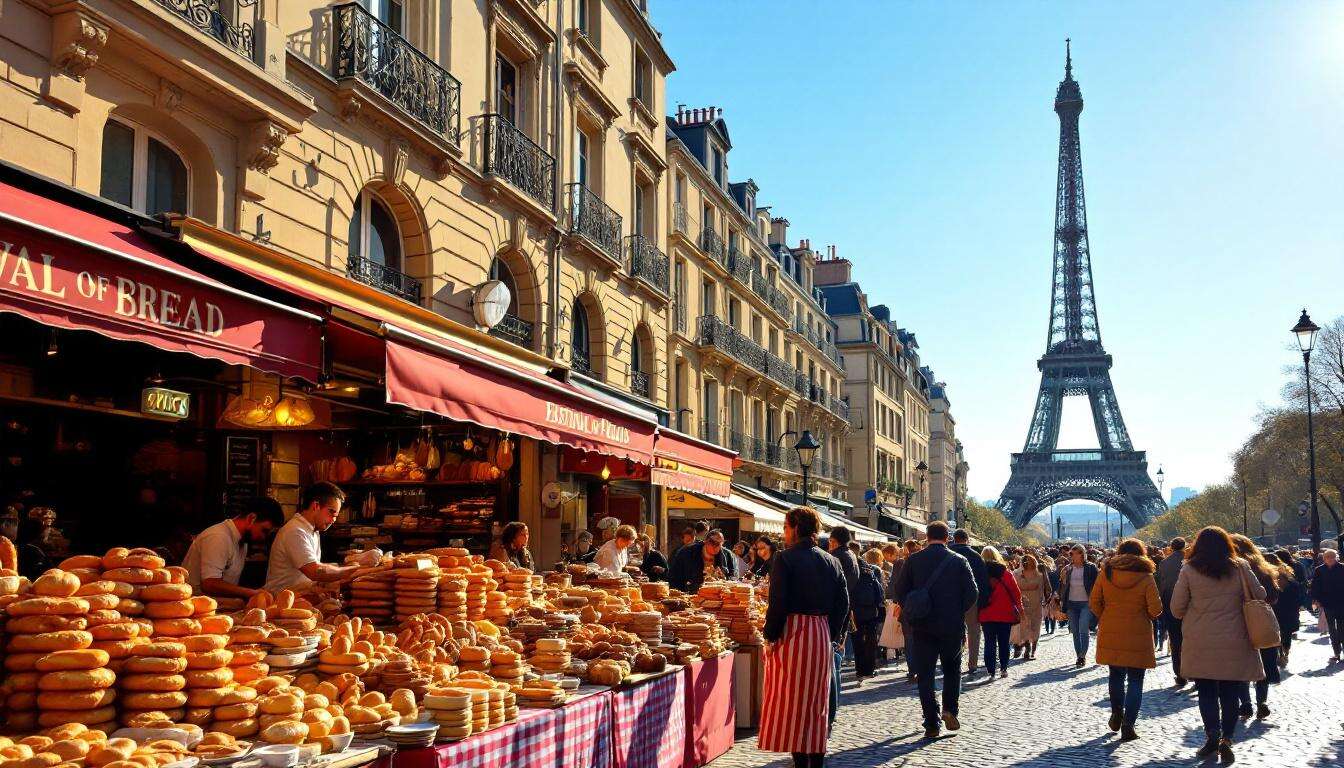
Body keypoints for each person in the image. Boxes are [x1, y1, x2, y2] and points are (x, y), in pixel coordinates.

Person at [758, 506, 849, 768]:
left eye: (785, 527)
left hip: (793, 633)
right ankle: (816, 760)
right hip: (820, 634)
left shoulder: (785, 559)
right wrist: (831, 633)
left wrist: (770, 635)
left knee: (792, 701)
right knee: (816, 702)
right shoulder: (831, 560)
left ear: (796, 528)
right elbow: (843, 603)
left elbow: (778, 602)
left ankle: (800, 761)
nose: (784, 533)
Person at [1171, 526, 1266, 764]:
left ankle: (1212, 733)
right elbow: (1260, 594)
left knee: (1206, 691)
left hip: (1201, 639)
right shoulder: (1240, 566)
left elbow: (1176, 608)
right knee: (1230, 691)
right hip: (1235, 637)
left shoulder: (1189, 569)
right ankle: (1227, 738)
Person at [893, 521, 978, 740]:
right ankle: (950, 709)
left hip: (922, 626)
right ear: (947, 537)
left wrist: (914, 608)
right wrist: (957, 610)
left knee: (926, 675)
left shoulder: (913, 560)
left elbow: (899, 591)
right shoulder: (959, 561)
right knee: (952, 670)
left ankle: (931, 722)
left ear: (927, 537)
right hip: (951, 626)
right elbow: (972, 592)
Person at [1089, 538, 1161, 742]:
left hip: (1112, 629)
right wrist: (1145, 615)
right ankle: (1129, 724)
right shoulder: (1146, 576)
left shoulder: (1107, 572)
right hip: (1138, 632)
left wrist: (1107, 616)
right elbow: (1155, 609)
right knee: (1136, 680)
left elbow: (1094, 601)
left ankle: (1116, 712)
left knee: (1116, 675)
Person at [265, 482, 359, 592]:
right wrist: (355, 570)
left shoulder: (312, 530)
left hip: (300, 596)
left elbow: (318, 567)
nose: (333, 520)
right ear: (316, 506)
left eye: (336, 516)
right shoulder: (295, 531)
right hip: (280, 600)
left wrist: (351, 562)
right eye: (331, 513)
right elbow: (315, 571)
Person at [182, 497, 284, 598]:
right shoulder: (218, 537)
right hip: (191, 603)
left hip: (216, 602)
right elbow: (209, 584)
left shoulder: (243, 541)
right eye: (264, 531)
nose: (263, 537)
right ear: (251, 518)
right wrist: (252, 593)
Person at [1230, 534, 1282, 718]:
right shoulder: (1263, 569)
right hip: (1260, 622)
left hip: (1237, 623)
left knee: (1241, 664)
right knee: (1264, 663)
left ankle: (1245, 703)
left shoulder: (1229, 569)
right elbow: (1273, 597)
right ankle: (1262, 701)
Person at [949, 528, 990, 678]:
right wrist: (983, 602)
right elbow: (983, 581)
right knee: (974, 632)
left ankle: (953, 661)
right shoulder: (976, 556)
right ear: (967, 539)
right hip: (972, 599)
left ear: (954, 539)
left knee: (952, 631)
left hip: (950, 600)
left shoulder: (947, 554)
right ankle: (972, 664)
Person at [978, 546, 1022, 679]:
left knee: (989, 642)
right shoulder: (1006, 573)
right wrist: (1019, 608)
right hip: (1005, 613)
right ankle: (1003, 668)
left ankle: (991, 670)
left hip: (986, 613)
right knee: (1004, 642)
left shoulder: (979, 574)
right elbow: (1016, 593)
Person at [1155, 536, 1187, 686]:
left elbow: (1161, 585)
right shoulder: (1189, 561)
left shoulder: (1164, 563)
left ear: (1171, 547)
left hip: (1170, 603)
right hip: (1189, 605)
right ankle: (1194, 672)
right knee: (1191, 639)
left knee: (1175, 639)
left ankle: (1179, 673)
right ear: (1184, 546)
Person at [851, 549, 886, 684]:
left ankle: (860, 669)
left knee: (857, 640)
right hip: (870, 610)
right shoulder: (871, 570)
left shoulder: (851, 570)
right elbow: (879, 590)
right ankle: (870, 669)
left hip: (855, 610)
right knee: (871, 640)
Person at [1061, 544, 1099, 667]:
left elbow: (1098, 585)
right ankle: (1079, 656)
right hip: (1071, 604)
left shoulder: (1091, 568)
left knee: (1083, 629)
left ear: (1081, 554)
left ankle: (1083, 655)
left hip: (1086, 603)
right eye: (1070, 554)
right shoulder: (1068, 568)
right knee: (1075, 631)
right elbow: (1064, 586)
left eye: (1073, 553)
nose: (1071, 556)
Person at [668, 528, 735, 593]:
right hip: (690, 593)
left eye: (718, 543)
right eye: (712, 542)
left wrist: (724, 579)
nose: (715, 546)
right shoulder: (687, 553)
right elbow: (674, 575)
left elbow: (732, 576)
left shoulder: (727, 555)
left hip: (716, 595)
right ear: (705, 541)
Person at [1310, 547, 1344, 663]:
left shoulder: (1342, 568)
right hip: (1327, 603)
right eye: (1327, 557)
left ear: (1336, 558)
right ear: (1324, 559)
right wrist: (1315, 599)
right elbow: (1315, 585)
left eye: (1332, 557)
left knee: (1342, 628)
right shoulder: (1319, 570)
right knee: (1332, 629)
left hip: (1341, 602)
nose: (1330, 559)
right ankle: (1336, 652)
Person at [1271, 550, 1302, 667]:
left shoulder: (1269, 577)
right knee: (1286, 632)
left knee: (1277, 631)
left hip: (1275, 608)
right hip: (1288, 609)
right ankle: (1285, 651)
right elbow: (1297, 590)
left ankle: (1281, 652)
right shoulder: (1289, 576)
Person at [1014, 554, 1048, 659]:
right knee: (1025, 627)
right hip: (1023, 605)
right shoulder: (1016, 573)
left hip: (1036, 605)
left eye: (1029, 561)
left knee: (1035, 627)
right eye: (1025, 561)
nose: (1027, 563)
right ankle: (1028, 649)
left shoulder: (1040, 573)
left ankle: (1032, 650)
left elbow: (1045, 587)